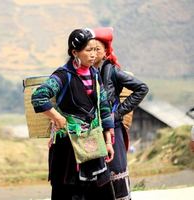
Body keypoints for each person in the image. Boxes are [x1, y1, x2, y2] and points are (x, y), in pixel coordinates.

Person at [31, 28, 116, 200]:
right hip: (68, 148)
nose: (93, 55)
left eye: (94, 50)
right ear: (74, 52)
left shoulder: (95, 74)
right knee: (70, 192)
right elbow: (39, 96)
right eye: (88, 50)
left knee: (100, 192)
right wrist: (57, 117)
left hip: (93, 144)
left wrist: (108, 141)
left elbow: (104, 107)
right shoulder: (63, 76)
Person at [93, 27, 149, 200]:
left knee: (116, 172)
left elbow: (142, 88)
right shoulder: (84, 72)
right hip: (93, 131)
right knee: (97, 176)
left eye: (98, 49)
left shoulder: (112, 70)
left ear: (106, 52)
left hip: (112, 129)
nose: (93, 53)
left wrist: (117, 114)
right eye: (90, 49)